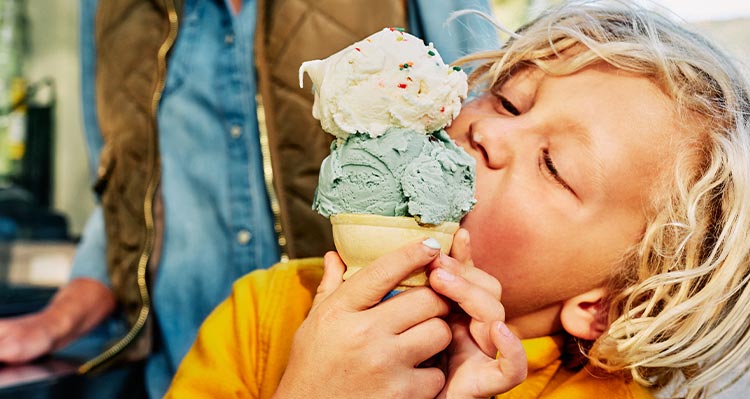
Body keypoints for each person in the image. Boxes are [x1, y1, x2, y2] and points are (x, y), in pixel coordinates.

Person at [163, 1, 750, 398]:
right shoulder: (262, 314)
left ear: (606, 307)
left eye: (553, 165)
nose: (489, 132)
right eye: (508, 102)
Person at [0, 0, 499, 398]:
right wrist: (58, 320)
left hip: (374, 369)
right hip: (180, 372)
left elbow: (475, 148)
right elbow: (121, 192)